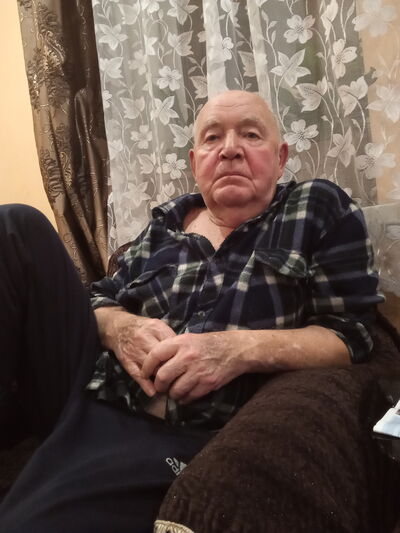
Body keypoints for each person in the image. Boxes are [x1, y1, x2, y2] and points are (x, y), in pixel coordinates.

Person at [0, 90, 382, 532]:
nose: (230, 148)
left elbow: (351, 335)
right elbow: (96, 298)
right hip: (87, 383)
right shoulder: (163, 226)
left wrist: (234, 349)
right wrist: (121, 326)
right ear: (195, 161)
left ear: (280, 158)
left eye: (251, 135)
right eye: (212, 138)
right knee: (15, 226)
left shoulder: (316, 207)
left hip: (171, 426)